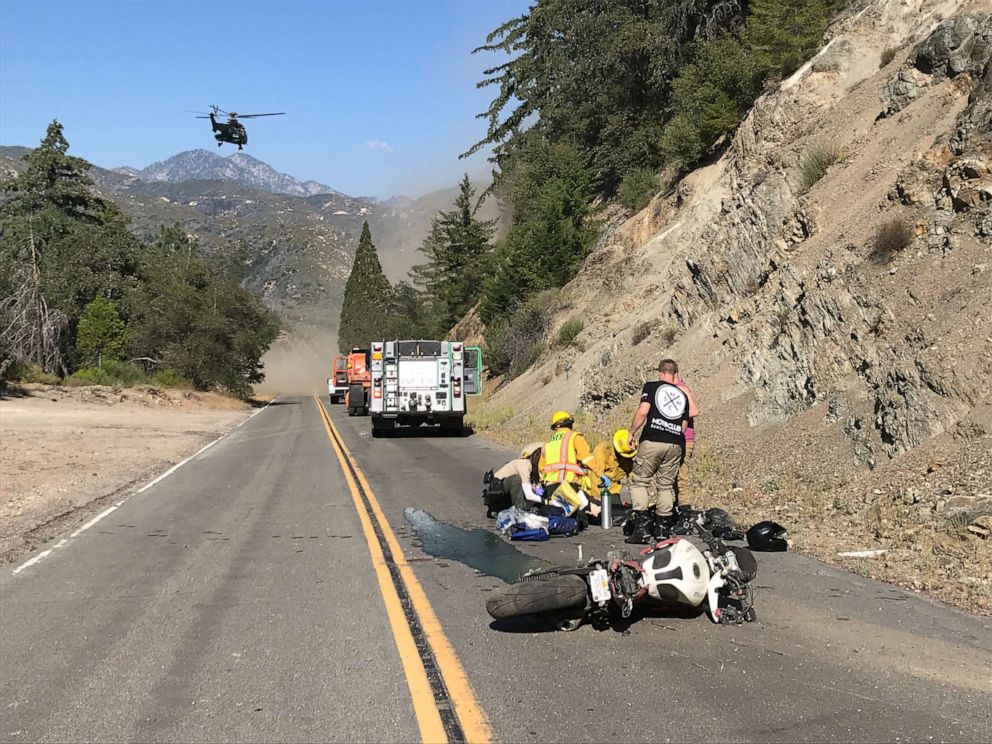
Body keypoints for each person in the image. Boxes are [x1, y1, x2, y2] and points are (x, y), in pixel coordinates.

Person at [625, 359, 698, 543]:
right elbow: (683, 424)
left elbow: (643, 412)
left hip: (652, 440)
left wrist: (631, 432)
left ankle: (641, 528)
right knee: (665, 485)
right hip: (675, 443)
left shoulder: (652, 387)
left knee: (640, 481)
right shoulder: (681, 394)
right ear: (675, 374)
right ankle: (662, 530)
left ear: (660, 373)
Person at [582, 429, 637, 511]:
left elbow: (632, 477)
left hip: (613, 490)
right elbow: (594, 476)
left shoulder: (627, 454)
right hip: (598, 490)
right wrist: (596, 500)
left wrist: (638, 500)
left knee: (616, 512)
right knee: (600, 514)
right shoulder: (603, 451)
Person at [492, 443, 544, 510]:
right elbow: (529, 494)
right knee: (516, 479)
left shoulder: (532, 469)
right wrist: (547, 501)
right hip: (496, 491)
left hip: (503, 493)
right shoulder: (525, 465)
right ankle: (519, 509)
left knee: (533, 486)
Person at [673, 373, 698, 503]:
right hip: (678, 438)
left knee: (681, 478)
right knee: (673, 478)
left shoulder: (680, 389)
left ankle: (684, 508)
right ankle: (678, 507)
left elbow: (693, 411)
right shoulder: (674, 388)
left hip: (684, 439)